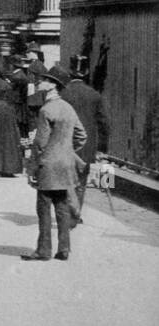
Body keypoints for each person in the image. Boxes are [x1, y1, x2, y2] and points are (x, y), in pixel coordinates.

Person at [23, 63, 87, 262]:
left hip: (48, 165)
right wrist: (66, 150)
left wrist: (32, 168)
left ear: (52, 85)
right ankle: (64, 248)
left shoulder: (46, 110)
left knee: (43, 207)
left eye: (44, 80)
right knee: (62, 205)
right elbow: (82, 136)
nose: (40, 82)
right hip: (66, 164)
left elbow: (41, 143)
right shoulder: (68, 108)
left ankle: (43, 250)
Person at [60, 54, 111, 226]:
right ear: (87, 71)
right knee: (81, 181)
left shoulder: (63, 94)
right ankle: (75, 214)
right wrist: (103, 147)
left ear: (70, 71)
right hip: (86, 146)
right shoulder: (95, 95)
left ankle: (66, 214)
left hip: (64, 144)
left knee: (65, 180)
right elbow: (104, 122)